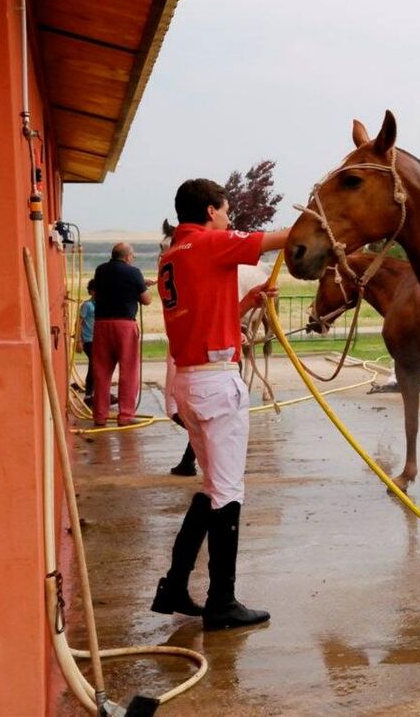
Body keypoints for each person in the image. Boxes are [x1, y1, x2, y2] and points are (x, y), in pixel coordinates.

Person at [150, 178, 289, 631]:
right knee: (227, 491)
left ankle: (174, 584)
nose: (230, 219)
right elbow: (279, 238)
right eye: (226, 210)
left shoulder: (173, 255)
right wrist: (317, 216)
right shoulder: (210, 243)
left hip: (191, 381)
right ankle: (222, 601)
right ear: (211, 211)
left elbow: (205, 313)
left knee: (212, 488)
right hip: (215, 384)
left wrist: (247, 302)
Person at [91, 243, 154, 426]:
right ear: (127, 257)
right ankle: (126, 415)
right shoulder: (134, 272)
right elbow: (146, 300)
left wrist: (139, 284)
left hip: (101, 324)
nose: (133, 258)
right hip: (124, 325)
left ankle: (100, 416)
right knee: (128, 370)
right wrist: (143, 286)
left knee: (101, 372)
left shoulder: (100, 270)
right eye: (132, 255)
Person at [77, 279, 97, 405]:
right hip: (88, 339)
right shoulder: (87, 305)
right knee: (94, 364)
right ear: (91, 291)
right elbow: (79, 322)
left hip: (98, 339)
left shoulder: (100, 304)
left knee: (96, 366)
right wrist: (79, 340)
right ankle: (89, 394)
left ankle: (93, 392)